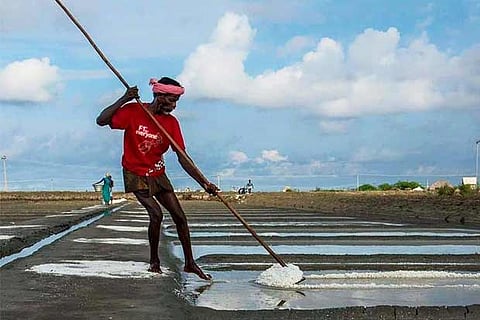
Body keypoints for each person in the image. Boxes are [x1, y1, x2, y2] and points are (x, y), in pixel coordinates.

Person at [96, 76, 218, 280]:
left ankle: (190, 263)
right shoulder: (135, 111)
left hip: (158, 172)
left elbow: (183, 157)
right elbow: (101, 120)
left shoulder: (171, 123)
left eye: (176, 101)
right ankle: (154, 260)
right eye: (171, 100)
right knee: (156, 214)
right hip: (135, 172)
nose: (174, 105)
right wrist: (125, 98)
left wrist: (204, 183)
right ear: (159, 96)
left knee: (180, 217)